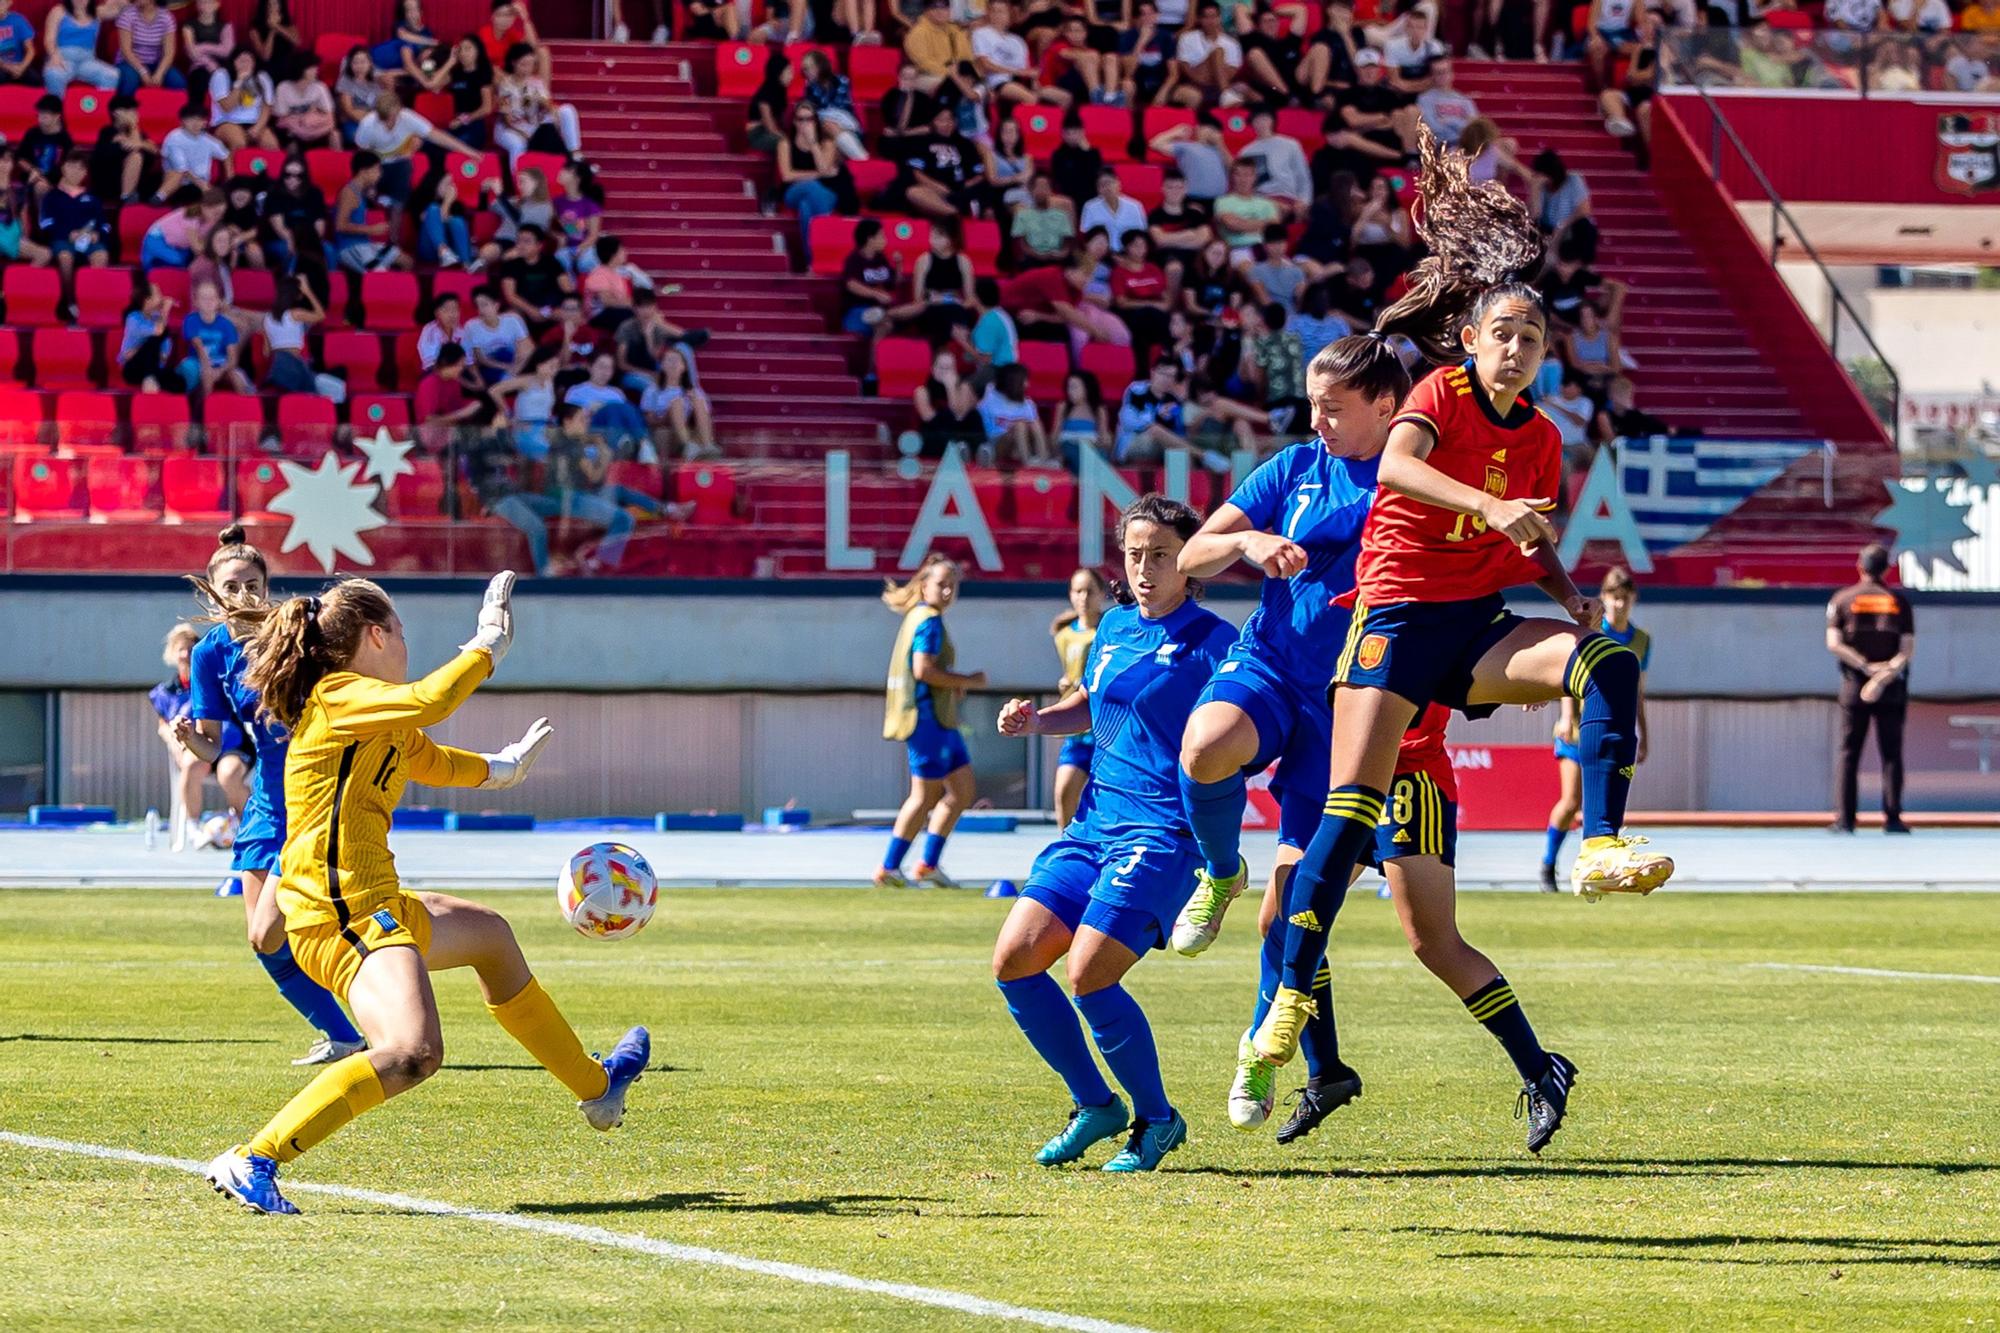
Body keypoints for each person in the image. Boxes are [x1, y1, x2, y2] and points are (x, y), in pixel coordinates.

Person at [1252, 133, 1671, 1158]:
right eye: (1502, 331)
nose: (1518, 345)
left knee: (1607, 659)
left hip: (1467, 644)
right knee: (1326, 842)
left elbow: (1528, 542)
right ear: (1471, 341)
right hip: (1395, 628)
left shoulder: (1540, 436)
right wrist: (1492, 507)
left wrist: (1572, 603)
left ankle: (1600, 846)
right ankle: (1296, 1034)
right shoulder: (1433, 397)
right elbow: (1398, 473)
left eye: (1532, 333)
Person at [201, 573, 650, 1216]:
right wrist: (487, 643)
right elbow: (433, 700)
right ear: (377, 635)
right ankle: (255, 1157)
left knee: (491, 938)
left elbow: (431, 756)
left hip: (371, 900)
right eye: (403, 633)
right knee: (412, 1053)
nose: (408, 644)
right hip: (339, 914)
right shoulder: (339, 695)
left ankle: (598, 1087)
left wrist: (502, 768)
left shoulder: (374, 710)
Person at [1169, 334, 1405, 1054]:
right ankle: (1218, 870)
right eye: (1312, 405)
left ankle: (1262, 1057)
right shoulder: (1296, 467)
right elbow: (1190, 554)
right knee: (1205, 745)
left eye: (1332, 408)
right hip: (1270, 665)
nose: (1316, 422)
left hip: (1351, 705)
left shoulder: (1410, 480)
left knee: (1289, 910)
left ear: (1386, 407)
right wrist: (1250, 543)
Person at [991, 494, 1238, 1172]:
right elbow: (1092, 704)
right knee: (1014, 959)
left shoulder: (1215, 642)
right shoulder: (1113, 628)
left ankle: (1157, 1119)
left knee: (1088, 972)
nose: (1144, 567)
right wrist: (1038, 720)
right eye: (1134, 554)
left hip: (1162, 836)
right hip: (1094, 827)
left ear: (1190, 563)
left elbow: (1248, 724)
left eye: (1160, 555)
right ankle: (1095, 1104)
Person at [1254, 703, 1575, 1151]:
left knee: (1435, 943)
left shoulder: (1415, 630)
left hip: (1405, 779)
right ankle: (1326, 1071)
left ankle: (1541, 1070)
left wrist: (1527, 672)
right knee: (1283, 922)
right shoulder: (1332, 630)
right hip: (1344, 777)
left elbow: (1478, 654)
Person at [182, 529, 368, 1068]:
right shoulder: (211, 652)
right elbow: (214, 744)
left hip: (316, 791)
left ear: (267, 586)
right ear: (213, 592)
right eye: (231, 585)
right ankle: (344, 1038)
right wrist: (193, 742)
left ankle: (386, 1008)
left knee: (277, 928)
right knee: (260, 939)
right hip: (266, 798)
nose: (243, 594)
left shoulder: (298, 634)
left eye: (253, 583)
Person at [879, 555, 987, 889]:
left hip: (942, 721)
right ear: (924, 585)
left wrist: (952, 686)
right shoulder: (928, 621)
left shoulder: (922, 617)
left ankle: (927, 864)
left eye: (953, 585)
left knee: (963, 789)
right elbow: (923, 670)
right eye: (941, 583)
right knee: (924, 796)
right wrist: (964, 680)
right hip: (926, 721)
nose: (948, 590)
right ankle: (888, 868)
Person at [1540, 565, 1650, 891]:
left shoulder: (1641, 640)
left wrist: (1644, 731)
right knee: (1571, 800)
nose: (1618, 605)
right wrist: (1564, 716)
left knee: (1604, 801)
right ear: (1604, 598)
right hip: (1578, 728)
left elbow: (1638, 690)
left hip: (1614, 728)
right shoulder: (1592, 629)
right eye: (1613, 598)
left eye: (1624, 598)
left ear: (1633, 599)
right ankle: (1548, 864)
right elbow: (1570, 675)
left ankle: (1600, 864)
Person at [1826, 543, 1914, 835]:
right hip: (1891, 689)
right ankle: (1893, 818)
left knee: (1849, 752)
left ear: (1860, 566)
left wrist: (1866, 670)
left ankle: (1845, 820)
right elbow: (1906, 651)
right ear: (1887, 569)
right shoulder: (1899, 602)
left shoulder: (1842, 599)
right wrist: (1883, 676)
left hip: (1854, 686)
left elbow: (1834, 643)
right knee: (1892, 754)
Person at [153, 620, 251, 852]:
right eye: (181, 649)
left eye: (191, 647)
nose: (186, 654)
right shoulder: (165, 693)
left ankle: (245, 825)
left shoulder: (213, 680)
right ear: (172, 653)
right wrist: (175, 742)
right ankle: (194, 827)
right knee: (191, 764)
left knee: (229, 775)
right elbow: (163, 725)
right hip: (199, 748)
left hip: (231, 746)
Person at [1049, 568, 1108, 828]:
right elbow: (1070, 673)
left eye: (1089, 591)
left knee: (1105, 799)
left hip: (1105, 729)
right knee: (1064, 792)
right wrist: (1064, 683)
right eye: (1077, 591)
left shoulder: (1110, 631)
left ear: (1102, 595)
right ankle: (1067, 849)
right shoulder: (1064, 635)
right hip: (1077, 732)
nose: (1083, 597)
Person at [495, 40, 581, 163]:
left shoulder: (535, 82)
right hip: (511, 127)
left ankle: (574, 152)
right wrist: (523, 133)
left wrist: (546, 105)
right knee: (518, 144)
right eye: (523, 64)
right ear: (513, 63)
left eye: (531, 64)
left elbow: (548, 105)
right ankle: (518, 178)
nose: (527, 69)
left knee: (567, 110)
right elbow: (507, 119)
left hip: (532, 123)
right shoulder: (505, 85)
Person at [43, 0, 121, 97]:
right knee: (53, 74)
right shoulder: (59, 11)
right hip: (63, 59)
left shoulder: (97, 12)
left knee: (113, 75)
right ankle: (55, 110)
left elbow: (121, 7)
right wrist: (54, 55)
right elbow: (49, 39)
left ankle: (100, 109)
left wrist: (113, 2)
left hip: (87, 61)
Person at [209, 45, 279, 151]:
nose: (245, 64)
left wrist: (258, 127)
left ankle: (262, 168)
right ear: (233, 62)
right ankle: (233, 167)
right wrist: (240, 82)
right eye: (241, 61)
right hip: (227, 122)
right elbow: (227, 107)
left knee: (271, 145)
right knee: (239, 142)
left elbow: (267, 107)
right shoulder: (221, 75)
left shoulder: (262, 77)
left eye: (248, 61)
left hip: (254, 122)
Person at [114, 0, 183, 96]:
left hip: (156, 64)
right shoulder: (127, 15)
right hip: (130, 63)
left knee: (178, 82)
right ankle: (124, 109)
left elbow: (169, 53)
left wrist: (160, 73)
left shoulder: (166, 17)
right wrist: (142, 71)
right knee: (130, 81)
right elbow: (126, 51)